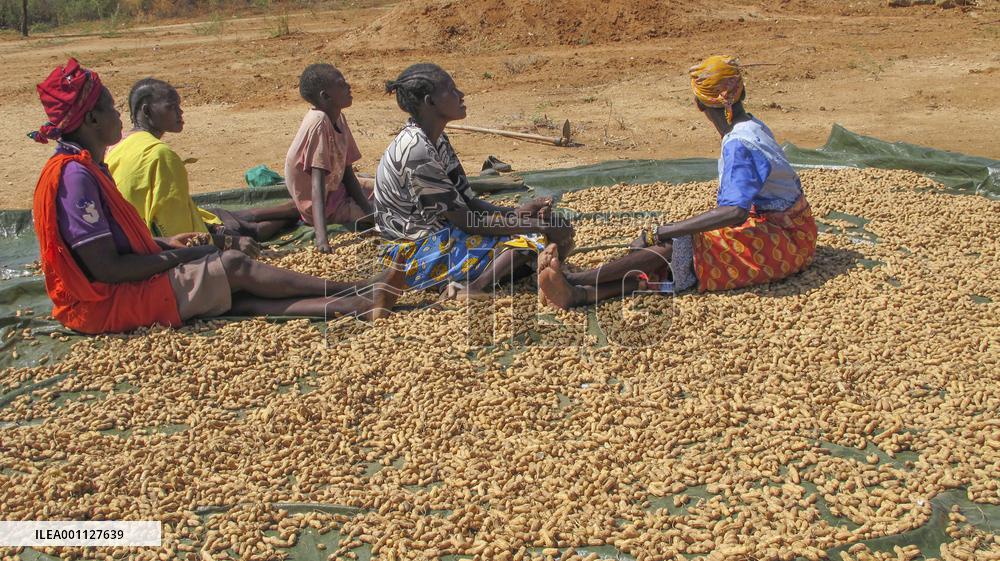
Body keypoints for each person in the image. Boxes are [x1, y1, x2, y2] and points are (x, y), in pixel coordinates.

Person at [29, 59, 404, 335]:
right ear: (91, 121)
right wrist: (187, 254)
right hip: (103, 304)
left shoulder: (88, 165)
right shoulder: (76, 177)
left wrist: (161, 243)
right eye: (110, 108)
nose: (118, 116)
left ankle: (358, 304)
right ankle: (358, 288)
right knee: (234, 267)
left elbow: (116, 243)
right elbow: (107, 269)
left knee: (237, 298)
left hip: (104, 296)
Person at [537, 55, 817, 308]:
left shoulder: (740, 143)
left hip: (786, 242)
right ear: (742, 92)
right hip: (796, 230)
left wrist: (661, 231)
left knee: (678, 244)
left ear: (698, 104)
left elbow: (735, 212)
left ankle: (577, 279)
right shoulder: (751, 125)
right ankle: (581, 294)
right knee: (678, 253)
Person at [375, 63, 574, 297]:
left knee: (536, 239)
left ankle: (468, 279)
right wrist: (536, 225)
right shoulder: (416, 150)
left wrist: (516, 213)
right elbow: (466, 221)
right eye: (451, 90)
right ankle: (474, 287)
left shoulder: (435, 140)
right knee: (529, 243)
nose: (460, 95)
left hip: (441, 234)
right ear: (430, 102)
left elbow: (468, 201)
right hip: (409, 253)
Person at [106, 78, 299, 248]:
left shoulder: (117, 143)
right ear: (147, 111)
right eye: (171, 107)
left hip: (132, 231)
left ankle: (293, 208)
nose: (180, 112)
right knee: (247, 230)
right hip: (156, 238)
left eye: (179, 106)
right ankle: (295, 212)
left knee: (221, 214)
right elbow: (178, 232)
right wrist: (226, 242)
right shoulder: (160, 155)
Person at [285, 63, 375, 254]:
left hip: (335, 190)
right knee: (387, 213)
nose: (349, 86)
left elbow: (347, 171)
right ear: (325, 96)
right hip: (322, 204)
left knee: (384, 189)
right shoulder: (319, 123)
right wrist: (322, 239)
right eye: (341, 84)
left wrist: (367, 209)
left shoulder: (338, 118)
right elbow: (316, 186)